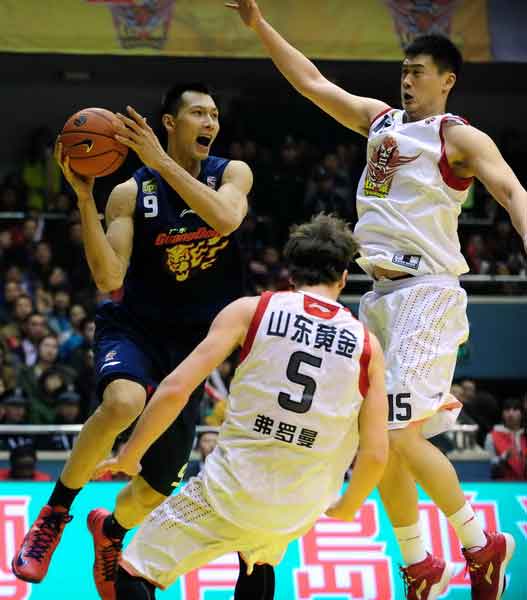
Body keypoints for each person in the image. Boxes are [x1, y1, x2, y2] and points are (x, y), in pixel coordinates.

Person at [227, 2, 524, 598]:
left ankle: (478, 542)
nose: (406, 80)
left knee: (400, 431)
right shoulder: (381, 122)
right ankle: (418, 563)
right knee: (375, 438)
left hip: (428, 292)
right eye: (404, 71)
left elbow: (514, 190)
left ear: (447, 79)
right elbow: (311, 83)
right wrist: (259, 24)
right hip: (380, 295)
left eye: (418, 71)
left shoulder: (457, 136)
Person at [12, 82, 253, 600]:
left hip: (194, 346)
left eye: (214, 114)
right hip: (137, 327)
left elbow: (227, 219)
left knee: (160, 482)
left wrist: (164, 164)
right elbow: (106, 277)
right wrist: (83, 199)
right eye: (197, 113)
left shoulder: (231, 173)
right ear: (168, 123)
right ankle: (54, 514)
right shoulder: (129, 193)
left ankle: (112, 531)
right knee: (123, 401)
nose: (210, 122)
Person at [91, 213, 389, 600]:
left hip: (229, 490)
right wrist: (350, 504)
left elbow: (176, 388)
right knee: (259, 556)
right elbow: (376, 452)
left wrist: (131, 454)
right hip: (302, 505)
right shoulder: (368, 345)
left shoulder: (252, 310)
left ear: (290, 272)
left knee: (131, 571)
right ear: (344, 277)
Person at [485, 397, 526, 481]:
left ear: (522, 413)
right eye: (507, 410)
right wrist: (504, 457)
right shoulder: (492, 436)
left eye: (515, 409)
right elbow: (489, 466)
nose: (511, 413)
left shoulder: (525, 435)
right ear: (502, 414)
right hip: (502, 485)